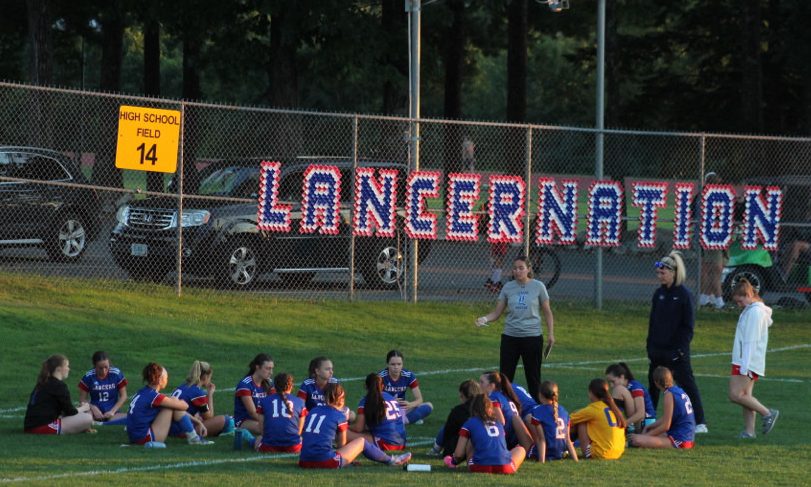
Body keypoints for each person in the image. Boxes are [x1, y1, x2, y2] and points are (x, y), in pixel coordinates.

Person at [476, 255, 555, 400]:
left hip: (532, 337)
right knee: (505, 377)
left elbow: (547, 312)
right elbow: (497, 312)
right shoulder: (508, 287)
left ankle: (536, 410)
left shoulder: (538, 286)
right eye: (515, 268)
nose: (517, 271)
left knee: (533, 377)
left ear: (529, 269)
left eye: (521, 268)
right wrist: (484, 318)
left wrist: (551, 334)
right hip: (510, 337)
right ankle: (504, 407)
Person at [647, 250, 708, 433]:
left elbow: (687, 326)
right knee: (653, 386)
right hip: (657, 350)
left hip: (676, 352)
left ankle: (700, 422)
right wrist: (650, 347)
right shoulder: (658, 294)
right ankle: (649, 421)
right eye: (658, 273)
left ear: (673, 273)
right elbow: (653, 322)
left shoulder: (684, 295)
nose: (660, 276)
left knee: (687, 384)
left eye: (663, 273)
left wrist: (679, 350)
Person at [299, 383, 411, 469]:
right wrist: (349, 459)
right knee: (361, 441)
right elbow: (341, 446)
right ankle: (391, 460)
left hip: (303, 461)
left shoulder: (313, 410)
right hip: (326, 462)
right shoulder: (339, 416)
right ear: (341, 399)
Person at [728, 278, 779, 438]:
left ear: (749, 294)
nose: (739, 304)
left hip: (746, 362)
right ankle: (750, 432)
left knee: (735, 394)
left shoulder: (755, 312)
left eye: (740, 300)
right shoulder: (752, 310)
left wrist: (745, 366)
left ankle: (767, 413)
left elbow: (751, 340)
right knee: (746, 397)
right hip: (745, 360)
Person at [127, 362, 213, 447]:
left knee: (172, 404)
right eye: (166, 377)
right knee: (173, 405)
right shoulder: (154, 396)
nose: (167, 379)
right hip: (144, 438)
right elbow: (184, 406)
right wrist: (177, 401)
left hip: (134, 436)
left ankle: (193, 437)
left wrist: (197, 422)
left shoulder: (143, 392)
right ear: (160, 380)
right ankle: (194, 439)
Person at [443, 394, 526, 474]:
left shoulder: (470, 423)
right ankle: (508, 464)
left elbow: (458, 454)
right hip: (505, 467)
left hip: (479, 467)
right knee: (521, 449)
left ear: (473, 408)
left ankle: (468, 463)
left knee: (471, 439)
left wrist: (453, 461)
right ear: (491, 408)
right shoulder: (498, 423)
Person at [24, 354, 93, 435]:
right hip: (42, 428)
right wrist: (84, 408)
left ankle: (81, 426)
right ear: (59, 369)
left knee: (82, 415)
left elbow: (63, 410)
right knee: (88, 418)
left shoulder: (43, 383)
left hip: (30, 426)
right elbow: (70, 412)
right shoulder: (59, 386)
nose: (69, 369)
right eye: (67, 366)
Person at [629, 366, 695, 449]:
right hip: (685, 436)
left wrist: (645, 436)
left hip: (681, 439)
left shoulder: (669, 394)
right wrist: (649, 426)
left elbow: (665, 426)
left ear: (656, 382)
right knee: (648, 432)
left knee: (636, 440)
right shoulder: (678, 390)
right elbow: (666, 417)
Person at [171, 360, 234, 437]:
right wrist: (210, 394)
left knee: (200, 416)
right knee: (226, 420)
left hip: (171, 427)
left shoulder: (182, 386)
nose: (210, 380)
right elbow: (209, 417)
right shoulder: (197, 392)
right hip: (182, 430)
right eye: (210, 377)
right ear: (205, 377)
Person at [570, 379, 626, 460]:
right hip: (618, 452)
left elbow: (568, 420)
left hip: (602, 453)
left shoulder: (594, 408)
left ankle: (565, 445)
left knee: (581, 421)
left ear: (591, 393)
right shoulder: (613, 408)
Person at [478, 370, 533, 452]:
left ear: (491, 385)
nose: (479, 385)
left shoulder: (493, 398)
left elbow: (501, 422)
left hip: (507, 440)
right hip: (516, 439)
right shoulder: (503, 396)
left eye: (482, 382)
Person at [696, 172, 727, 309]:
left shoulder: (705, 196)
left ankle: (705, 298)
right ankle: (718, 301)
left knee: (711, 269)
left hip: (716, 237)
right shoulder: (706, 197)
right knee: (715, 269)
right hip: (712, 237)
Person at [351, 373, 407, 451]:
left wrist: (346, 426)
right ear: (382, 386)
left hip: (387, 443)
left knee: (344, 433)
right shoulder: (390, 397)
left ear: (366, 387)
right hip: (402, 443)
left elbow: (358, 428)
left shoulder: (366, 401)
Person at [256, 372, 308, 452]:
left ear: (274, 387)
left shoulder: (264, 401)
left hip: (269, 446)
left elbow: (262, 430)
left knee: (259, 438)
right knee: (301, 439)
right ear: (291, 386)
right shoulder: (300, 402)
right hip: (293, 446)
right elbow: (299, 432)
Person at [527, 381, 578, 463]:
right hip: (560, 452)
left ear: (540, 395)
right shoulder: (564, 411)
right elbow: (568, 439)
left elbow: (541, 439)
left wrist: (541, 461)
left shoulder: (538, 411)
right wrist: (576, 460)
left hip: (547, 452)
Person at [378, 350, 433, 425]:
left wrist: (410, 404)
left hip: (401, 408)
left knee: (429, 406)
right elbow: (374, 399)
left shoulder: (408, 375)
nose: (396, 367)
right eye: (393, 364)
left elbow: (419, 399)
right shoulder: (380, 377)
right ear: (387, 364)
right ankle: (407, 419)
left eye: (399, 364)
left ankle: (402, 420)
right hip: (385, 408)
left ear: (402, 364)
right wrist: (390, 402)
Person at [77, 351, 128, 425]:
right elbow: (82, 399)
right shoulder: (89, 377)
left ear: (109, 364)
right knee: (86, 417)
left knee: (132, 417)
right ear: (95, 366)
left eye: (106, 367)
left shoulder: (116, 374)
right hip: (93, 412)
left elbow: (124, 396)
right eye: (100, 368)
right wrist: (93, 408)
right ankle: (94, 421)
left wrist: (112, 411)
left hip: (112, 412)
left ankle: (99, 423)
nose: (104, 371)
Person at [233, 353, 274, 444]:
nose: (271, 372)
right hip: (244, 420)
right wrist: (270, 421)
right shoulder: (245, 385)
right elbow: (252, 413)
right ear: (257, 367)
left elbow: (275, 404)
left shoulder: (270, 383)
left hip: (263, 418)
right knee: (265, 428)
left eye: (271, 368)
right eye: (267, 368)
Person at [604, 362, 656, 432]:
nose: (611, 385)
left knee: (618, 389)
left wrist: (624, 424)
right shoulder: (627, 387)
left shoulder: (634, 386)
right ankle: (613, 423)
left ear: (622, 377)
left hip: (647, 423)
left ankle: (621, 427)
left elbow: (640, 413)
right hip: (640, 423)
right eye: (609, 382)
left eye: (613, 381)